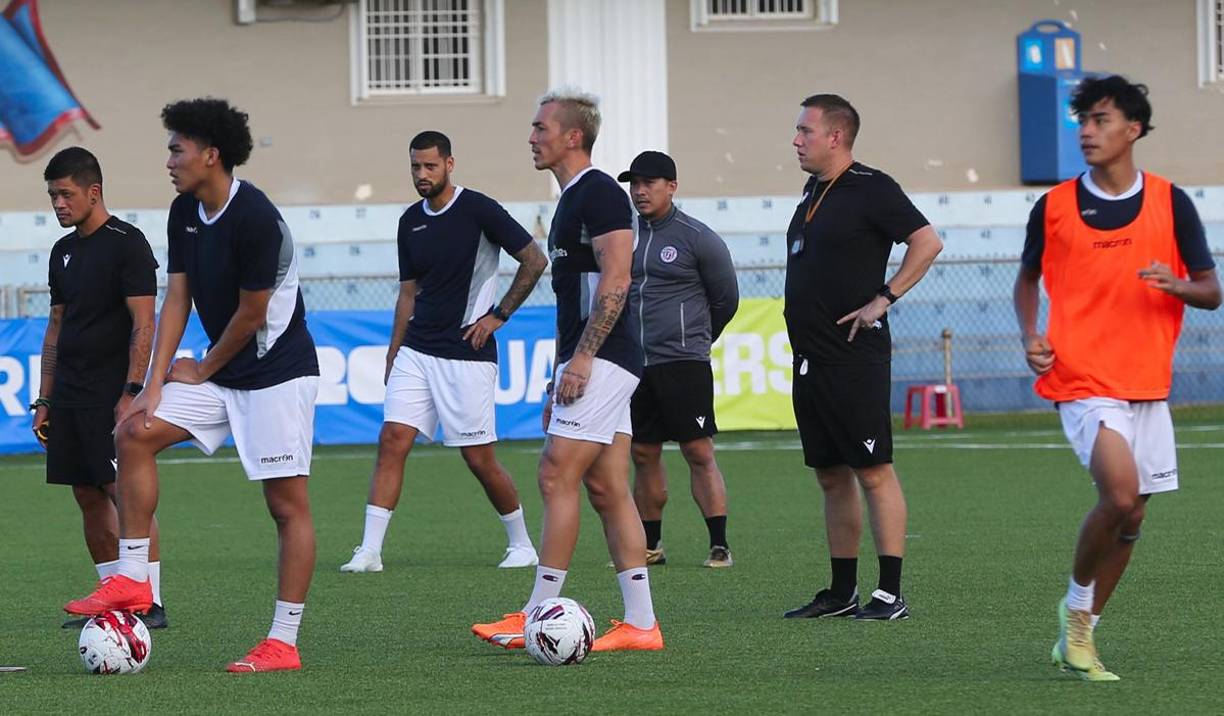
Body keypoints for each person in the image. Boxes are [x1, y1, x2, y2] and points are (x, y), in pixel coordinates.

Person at [64, 98, 321, 673]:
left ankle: (283, 642)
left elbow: (253, 315)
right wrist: (150, 385)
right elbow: (177, 296)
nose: (169, 161)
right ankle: (134, 579)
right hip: (221, 373)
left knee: (286, 505)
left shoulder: (256, 217)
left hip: (277, 375)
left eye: (176, 150)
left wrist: (201, 369)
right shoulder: (184, 210)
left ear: (211, 154)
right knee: (132, 432)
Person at [1013, 75, 1220, 681]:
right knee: (1121, 495)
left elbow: (1211, 290)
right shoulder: (1053, 206)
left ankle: (1080, 634)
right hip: (1081, 377)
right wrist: (1029, 334)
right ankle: (1076, 612)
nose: (1086, 131)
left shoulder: (1171, 202)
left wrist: (1177, 285)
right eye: (1082, 120)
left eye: (1100, 120)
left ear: (1133, 129)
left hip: (1147, 382)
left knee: (1132, 519)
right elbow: (1027, 279)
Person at [472, 89, 663, 652]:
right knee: (607, 487)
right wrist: (563, 369)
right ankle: (642, 624)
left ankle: (534, 613)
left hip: (606, 356)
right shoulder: (572, 200)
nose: (532, 137)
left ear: (573, 136)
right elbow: (576, 297)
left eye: (541, 128)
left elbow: (617, 278)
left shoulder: (600, 192)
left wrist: (583, 358)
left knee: (556, 474)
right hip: (595, 356)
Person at [340, 130, 546, 573]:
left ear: (449, 164)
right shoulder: (409, 221)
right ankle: (369, 551)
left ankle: (522, 544)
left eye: (430, 166)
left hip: (467, 354)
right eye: (416, 166)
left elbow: (535, 260)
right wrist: (394, 352)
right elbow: (408, 293)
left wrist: (498, 316)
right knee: (392, 440)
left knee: (478, 458)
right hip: (416, 350)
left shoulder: (479, 209)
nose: (422, 174)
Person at [781, 94, 942, 622]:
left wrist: (884, 298)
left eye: (805, 131)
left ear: (835, 136)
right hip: (811, 358)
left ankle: (890, 594)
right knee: (831, 475)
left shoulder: (872, 187)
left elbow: (927, 242)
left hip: (854, 358)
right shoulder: (813, 191)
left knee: (873, 471)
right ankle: (841, 591)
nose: (796, 140)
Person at [35, 147, 168, 630]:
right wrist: (45, 397)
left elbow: (144, 323)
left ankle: (150, 601)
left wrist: (132, 390)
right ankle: (113, 597)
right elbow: (56, 325)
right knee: (86, 493)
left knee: (122, 493)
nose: (58, 204)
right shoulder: (61, 251)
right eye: (52, 195)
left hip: (111, 390)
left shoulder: (127, 244)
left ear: (94, 192)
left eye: (66, 194)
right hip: (69, 392)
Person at [618, 150, 739, 568]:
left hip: (684, 362)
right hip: (635, 364)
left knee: (698, 451)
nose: (639, 191)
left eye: (648, 183)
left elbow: (726, 299)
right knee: (643, 454)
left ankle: (719, 544)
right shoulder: (624, 236)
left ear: (671, 187)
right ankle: (651, 545)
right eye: (634, 184)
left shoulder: (698, 237)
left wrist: (695, 341)